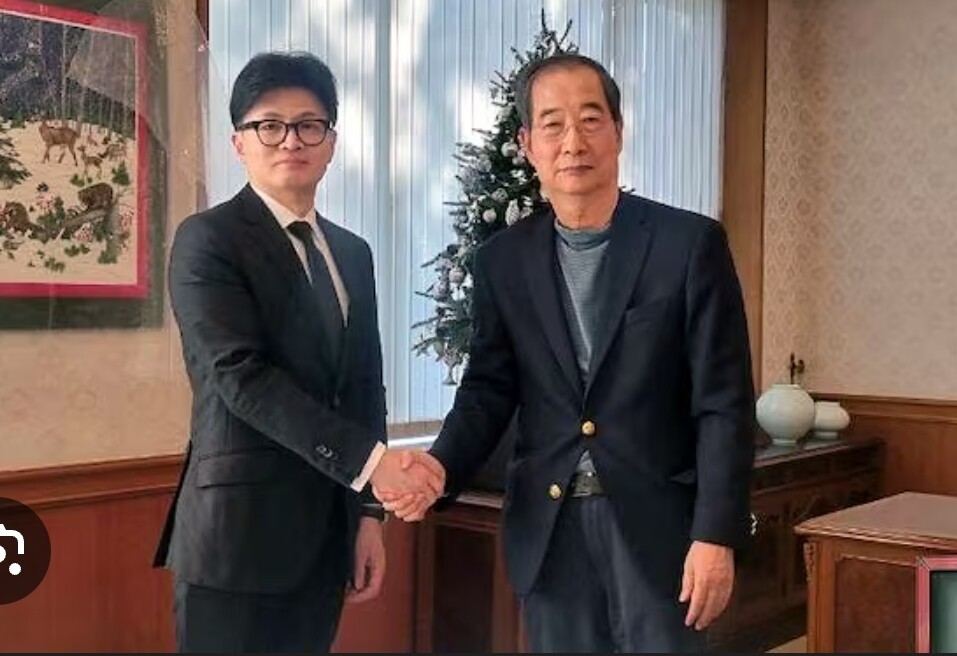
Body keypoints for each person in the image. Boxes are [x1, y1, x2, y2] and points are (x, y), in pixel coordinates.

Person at [379, 52, 755, 652]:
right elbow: (488, 389)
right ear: (528, 145)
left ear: (618, 132)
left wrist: (716, 534)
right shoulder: (503, 261)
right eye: (552, 125)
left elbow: (724, 403)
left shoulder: (688, 245)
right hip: (551, 533)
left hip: (659, 531)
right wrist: (440, 465)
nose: (573, 142)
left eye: (590, 119)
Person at [153, 51, 443, 653]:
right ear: (238, 142)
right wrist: (373, 464)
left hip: (325, 538)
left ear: (331, 142)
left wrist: (368, 515)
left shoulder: (353, 252)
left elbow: (363, 387)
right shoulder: (207, 239)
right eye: (269, 125)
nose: (291, 140)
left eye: (309, 125)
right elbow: (241, 377)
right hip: (235, 540)